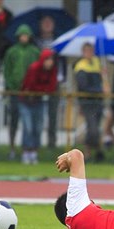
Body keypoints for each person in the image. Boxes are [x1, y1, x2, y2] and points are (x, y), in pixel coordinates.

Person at [3, 25, 40, 160]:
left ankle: (28, 149)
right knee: (13, 121)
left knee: (29, 123)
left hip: (30, 93)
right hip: (14, 92)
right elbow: (7, 70)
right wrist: (10, 86)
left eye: (26, 35)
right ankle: (11, 147)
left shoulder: (34, 51)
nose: (24, 37)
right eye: (22, 35)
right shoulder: (12, 51)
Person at [18, 48, 58, 164]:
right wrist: (42, 89)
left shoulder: (53, 70)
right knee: (28, 127)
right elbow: (31, 85)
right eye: (48, 59)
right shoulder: (34, 68)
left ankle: (34, 152)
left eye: (51, 60)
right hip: (26, 101)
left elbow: (51, 87)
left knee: (38, 128)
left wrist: (42, 90)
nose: (50, 62)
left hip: (39, 102)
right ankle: (26, 152)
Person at [74, 43, 108, 162]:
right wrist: (100, 90)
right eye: (87, 51)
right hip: (87, 102)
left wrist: (103, 75)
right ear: (83, 52)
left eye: (91, 51)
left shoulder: (96, 63)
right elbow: (83, 86)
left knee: (96, 128)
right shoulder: (80, 66)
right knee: (92, 128)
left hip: (98, 101)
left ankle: (96, 152)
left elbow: (100, 82)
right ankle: (89, 152)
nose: (89, 53)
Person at [34, 15, 63, 148]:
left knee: (53, 114)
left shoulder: (59, 41)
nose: (47, 25)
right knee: (37, 114)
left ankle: (52, 142)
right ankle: (36, 143)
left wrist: (62, 78)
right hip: (39, 82)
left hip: (54, 82)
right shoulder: (36, 41)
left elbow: (62, 62)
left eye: (49, 22)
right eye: (44, 22)